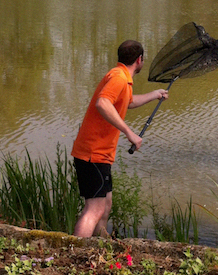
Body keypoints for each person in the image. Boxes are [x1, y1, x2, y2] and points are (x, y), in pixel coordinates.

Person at [71, 40, 168, 238]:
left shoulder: (120, 76)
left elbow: (128, 101)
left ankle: (100, 243)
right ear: (140, 59)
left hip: (100, 154)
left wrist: (154, 94)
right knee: (94, 209)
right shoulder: (119, 79)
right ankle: (74, 251)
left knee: (105, 205)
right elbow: (103, 103)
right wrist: (129, 132)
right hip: (93, 154)